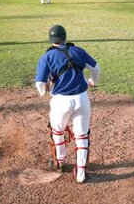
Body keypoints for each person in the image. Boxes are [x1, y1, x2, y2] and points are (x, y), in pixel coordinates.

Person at [35, 25, 100, 183]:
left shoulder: (47, 57)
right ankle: (81, 173)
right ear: (65, 37)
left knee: (57, 131)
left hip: (61, 101)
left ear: (51, 39)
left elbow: (39, 83)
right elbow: (96, 68)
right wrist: (93, 81)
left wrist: (43, 92)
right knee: (82, 135)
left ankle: (60, 162)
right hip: (82, 99)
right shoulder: (78, 51)